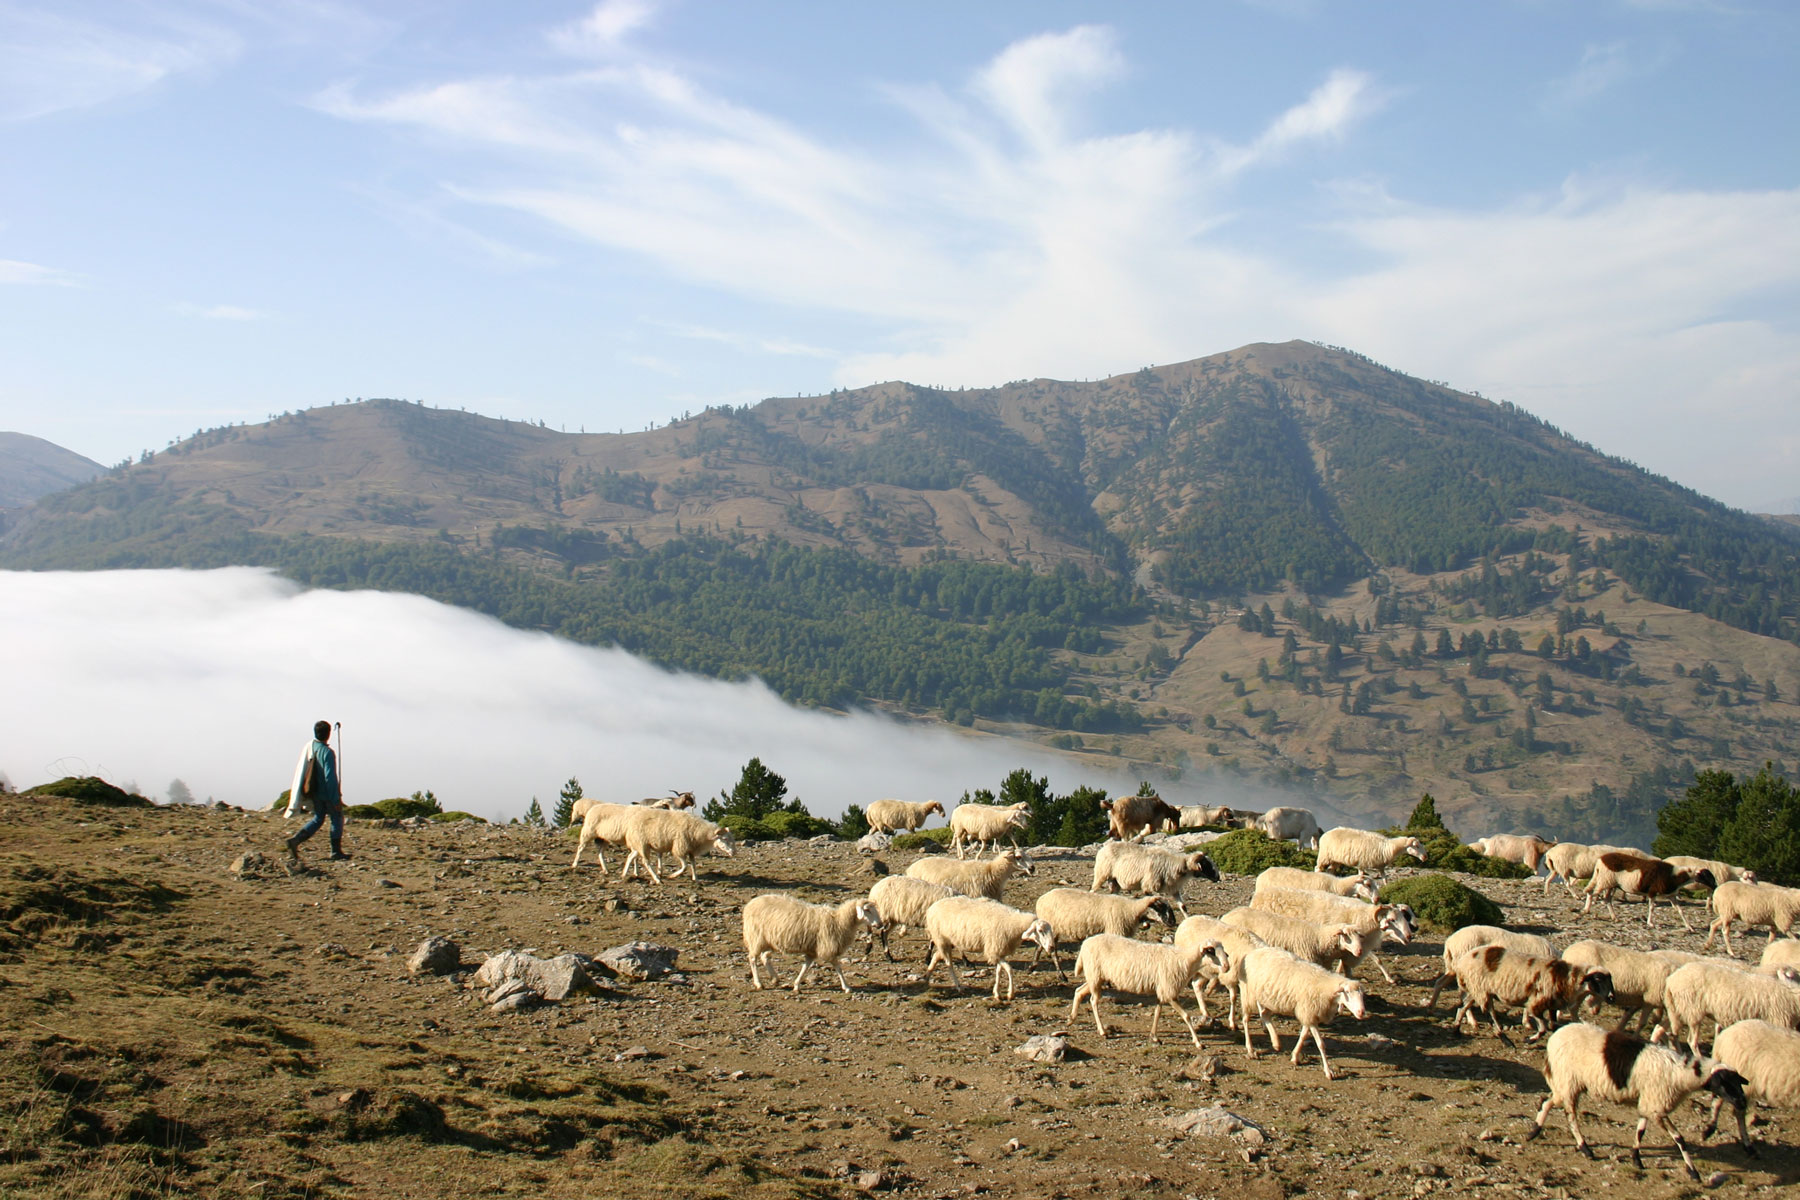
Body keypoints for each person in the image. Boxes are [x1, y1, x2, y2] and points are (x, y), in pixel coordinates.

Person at [284, 720, 348, 863]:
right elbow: (330, 778)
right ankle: (336, 851)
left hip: (315, 792)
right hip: (327, 794)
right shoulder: (328, 752)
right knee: (337, 818)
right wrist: (336, 799)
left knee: (318, 818)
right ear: (328, 734)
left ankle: (295, 840)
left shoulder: (311, 747)